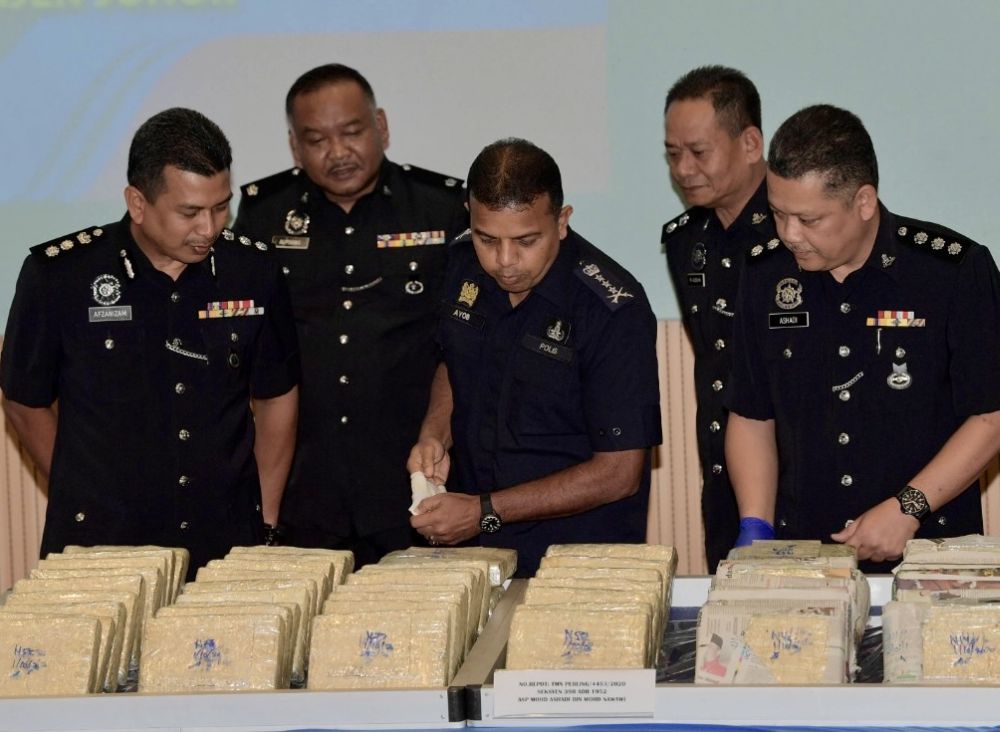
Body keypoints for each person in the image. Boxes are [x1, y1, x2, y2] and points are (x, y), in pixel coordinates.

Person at [0, 108, 300, 580]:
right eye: (190, 213)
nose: (210, 229)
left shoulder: (254, 271)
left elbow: (277, 393)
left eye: (221, 207)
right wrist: (82, 489)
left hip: (224, 541)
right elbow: (24, 400)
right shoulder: (60, 276)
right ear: (138, 203)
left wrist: (264, 518)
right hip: (102, 544)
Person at [725, 104, 1000, 572]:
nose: (790, 235)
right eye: (777, 214)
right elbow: (751, 416)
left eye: (809, 220)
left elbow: (991, 415)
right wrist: (757, 527)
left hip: (927, 551)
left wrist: (907, 507)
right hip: (806, 555)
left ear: (864, 202)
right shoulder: (763, 274)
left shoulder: (950, 271)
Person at [234, 64, 467, 566]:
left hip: (415, 482)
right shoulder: (263, 216)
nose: (337, 153)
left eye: (352, 132)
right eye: (316, 139)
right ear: (295, 148)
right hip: (304, 489)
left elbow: (466, 343)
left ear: (381, 126)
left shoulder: (440, 208)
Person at [407, 138, 661, 576]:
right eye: (487, 238)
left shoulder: (611, 307)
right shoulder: (462, 266)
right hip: (476, 553)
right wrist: (434, 434)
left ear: (561, 222)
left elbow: (620, 472)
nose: (505, 261)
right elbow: (455, 362)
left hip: (577, 560)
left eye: (526, 240)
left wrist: (484, 511)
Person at [661, 66, 774, 570]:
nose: (684, 169)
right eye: (672, 153)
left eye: (699, 152)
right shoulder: (686, 241)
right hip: (724, 479)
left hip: (804, 480)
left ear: (750, 143)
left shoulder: (803, 228)